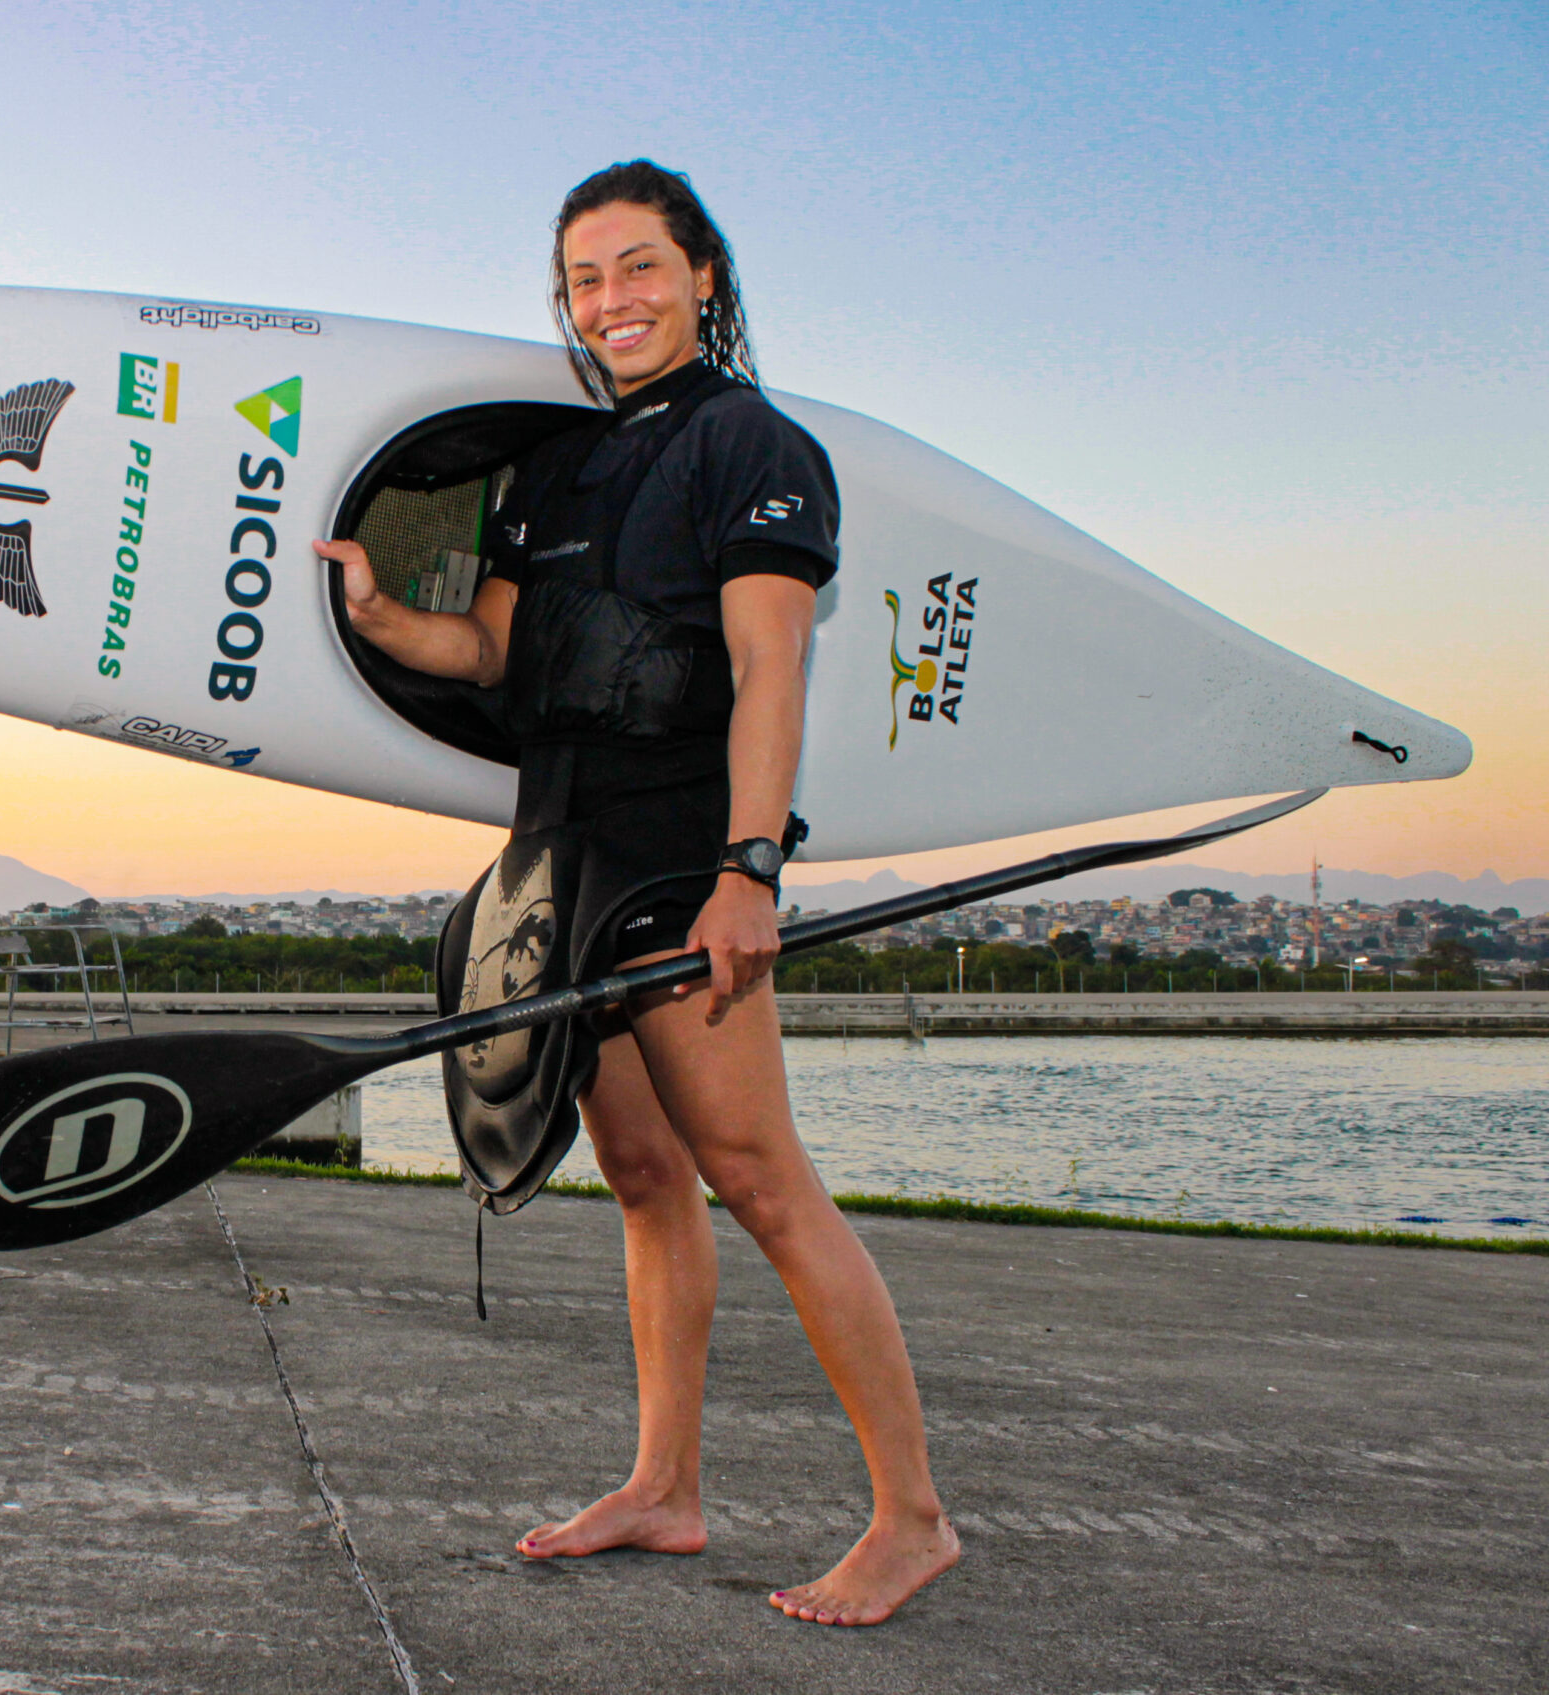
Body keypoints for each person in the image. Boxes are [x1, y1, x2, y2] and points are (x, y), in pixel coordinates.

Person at [314, 160, 960, 1628]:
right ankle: (665, 1489)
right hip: (562, 858)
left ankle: (913, 1518)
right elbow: (491, 659)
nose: (614, 300)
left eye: (641, 267)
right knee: (650, 1179)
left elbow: (767, 671)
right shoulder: (551, 470)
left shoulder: (754, 447)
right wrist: (375, 617)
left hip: (681, 856)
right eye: (587, 279)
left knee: (761, 1180)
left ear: (704, 277)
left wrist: (749, 872)